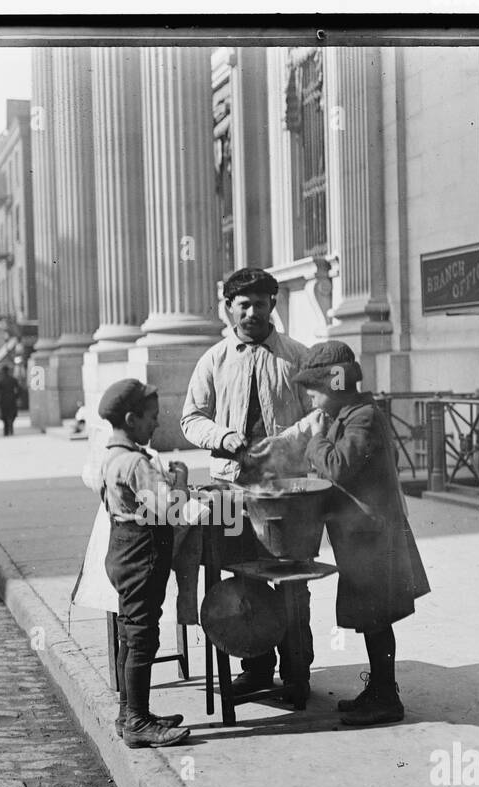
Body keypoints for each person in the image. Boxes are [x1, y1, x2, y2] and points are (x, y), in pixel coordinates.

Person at [250, 341, 431, 725]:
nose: (309, 396)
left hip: (373, 537)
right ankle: (379, 689)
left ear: (335, 383)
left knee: (377, 618)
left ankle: (386, 698)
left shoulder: (363, 417)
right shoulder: (347, 415)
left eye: (313, 388)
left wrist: (316, 438)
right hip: (359, 537)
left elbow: (336, 465)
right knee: (370, 617)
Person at [181, 266, 314, 703]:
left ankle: (296, 673)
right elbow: (191, 418)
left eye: (261, 304)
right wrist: (221, 436)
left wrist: (287, 442)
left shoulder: (297, 356)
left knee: (293, 580)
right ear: (229, 309)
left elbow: (320, 415)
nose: (253, 312)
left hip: (285, 491)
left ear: (272, 306)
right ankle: (255, 667)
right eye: (244, 305)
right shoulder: (213, 360)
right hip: (231, 492)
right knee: (243, 577)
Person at [99, 378, 192, 748]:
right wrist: (180, 480)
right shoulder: (136, 462)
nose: (156, 423)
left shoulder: (112, 456)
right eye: (151, 417)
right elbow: (170, 508)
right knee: (142, 638)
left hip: (122, 551)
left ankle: (129, 713)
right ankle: (138, 721)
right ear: (131, 418)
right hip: (142, 554)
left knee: (129, 633)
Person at [0, 366, 19, 436]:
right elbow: (19, 389)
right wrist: (16, 396)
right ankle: (10, 428)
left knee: (5, 416)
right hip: (12, 400)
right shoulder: (13, 379)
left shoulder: (1, 381)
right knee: (12, 415)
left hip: (4, 400)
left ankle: (6, 430)